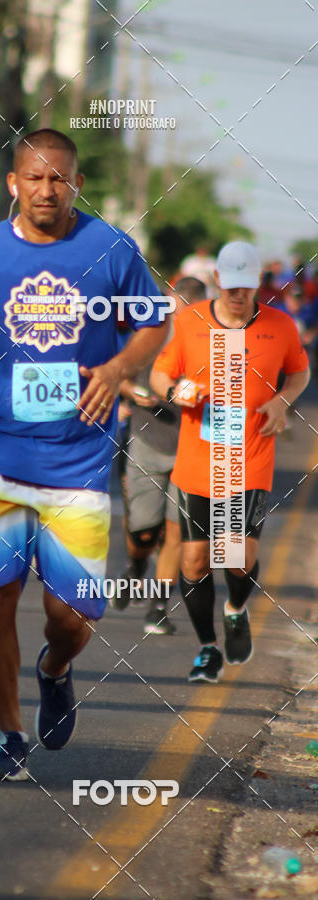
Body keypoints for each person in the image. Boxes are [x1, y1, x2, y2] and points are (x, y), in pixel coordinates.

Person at [0, 128, 169, 780]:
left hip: (78, 458)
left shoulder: (110, 248)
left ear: (76, 183)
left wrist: (117, 369)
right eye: (34, 178)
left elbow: (153, 321)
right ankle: (7, 735)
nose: (46, 189)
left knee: (69, 614)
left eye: (58, 178)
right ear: (13, 184)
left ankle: (56, 668)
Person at [150, 241, 310, 683]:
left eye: (247, 287)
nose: (238, 296)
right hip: (198, 462)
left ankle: (236, 608)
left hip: (250, 459)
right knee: (195, 560)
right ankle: (207, 648)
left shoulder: (280, 326)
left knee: (236, 557)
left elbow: (299, 371)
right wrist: (174, 391)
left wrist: (282, 401)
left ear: (257, 283)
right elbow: (161, 373)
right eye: (231, 286)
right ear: (218, 280)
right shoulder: (191, 320)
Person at [114, 277, 207, 635]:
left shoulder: (213, 347)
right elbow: (120, 375)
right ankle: (136, 567)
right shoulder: (151, 337)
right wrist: (135, 393)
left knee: (176, 531)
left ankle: (158, 607)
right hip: (148, 442)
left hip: (191, 451)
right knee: (144, 530)